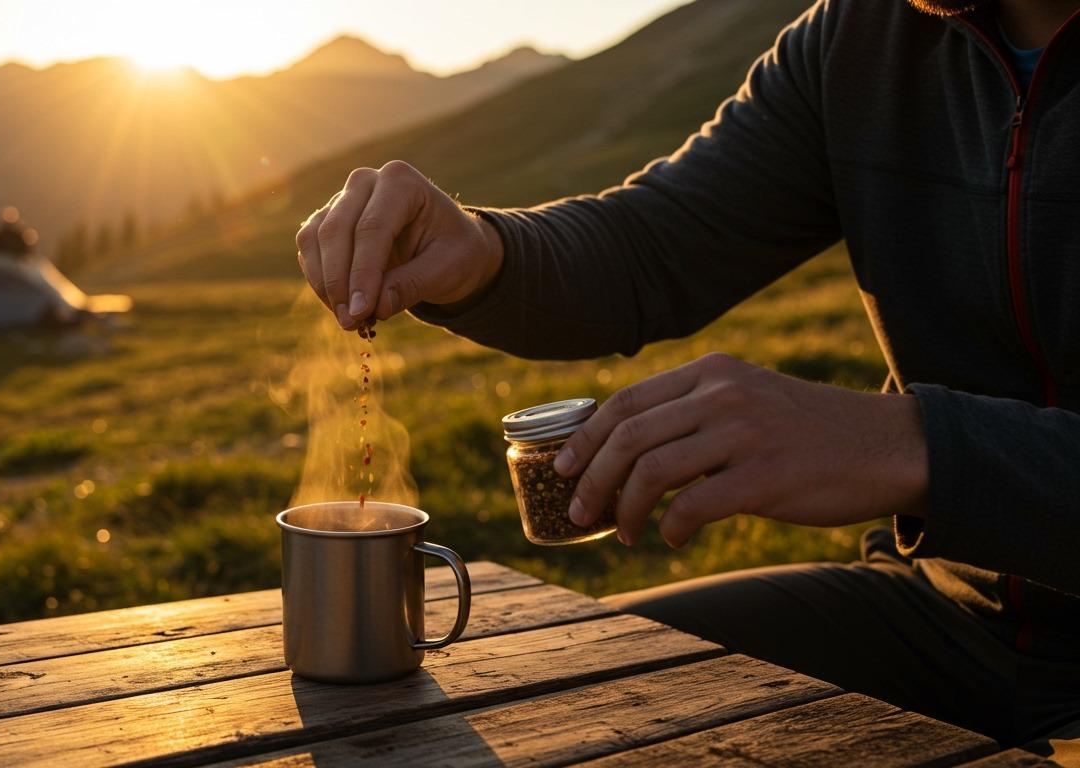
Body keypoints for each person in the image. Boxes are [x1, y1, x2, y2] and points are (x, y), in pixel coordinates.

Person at [294, 0, 1080, 757]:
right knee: (527, 711)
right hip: (943, 616)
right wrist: (484, 254)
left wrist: (918, 449)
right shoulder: (864, 37)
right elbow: (654, 247)